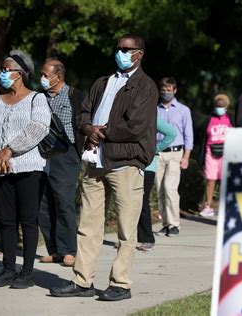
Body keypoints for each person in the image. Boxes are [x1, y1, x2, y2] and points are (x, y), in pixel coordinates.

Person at [50, 34, 157, 301]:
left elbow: (136, 126)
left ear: (140, 54)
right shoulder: (103, 82)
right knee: (88, 226)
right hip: (95, 162)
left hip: (126, 163)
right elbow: (83, 113)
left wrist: (101, 133)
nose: (120, 53)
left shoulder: (146, 86)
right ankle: (81, 281)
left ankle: (120, 284)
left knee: (125, 230)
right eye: (118, 48)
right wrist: (87, 128)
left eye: (127, 49)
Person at [0, 50, 51, 289]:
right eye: (2, 69)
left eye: (6, 70)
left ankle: (27, 273)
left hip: (29, 168)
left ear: (20, 73)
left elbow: (39, 128)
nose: (2, 73)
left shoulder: (36, 99)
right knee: (7, 221)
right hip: (0, 168)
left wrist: (10, 150)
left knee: (28, 220)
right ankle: (8, 269)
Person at [37, 60, 86, 267]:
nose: (43, 78)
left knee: (64, 202)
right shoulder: (38, 98)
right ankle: (54, 250)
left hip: (66, 156)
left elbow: (85, 124)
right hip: (40, 155)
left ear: (59, 77)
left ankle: (69, 250)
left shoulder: (76, 96)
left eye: (46, 75)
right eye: (42, 74)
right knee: (43, 205)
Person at [155, 77, 194, 237]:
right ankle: (165, 223)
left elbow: (188, 135)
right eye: (164, 90)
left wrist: (186, 157)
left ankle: (174, 224)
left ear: (175, 90)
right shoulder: (154, 109)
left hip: (175, 153)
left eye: (169, 90)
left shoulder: (183, 110)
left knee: (170, 188)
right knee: (159, 189)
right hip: (158, 153)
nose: (166, 92)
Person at [136, 117, 176, 251]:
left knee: (142, 201)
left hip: (147, 166)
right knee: (125, 202)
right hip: (128, 164)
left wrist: (155, 148)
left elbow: (171, 133)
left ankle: (147, 238)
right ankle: (126, 238)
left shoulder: (152, 114)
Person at [198, 94, 233, 217]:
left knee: (224, 180)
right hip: (210, 152)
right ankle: (208, 205)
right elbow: (203, 137)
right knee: (210, 179)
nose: (220, 108)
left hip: (226, 153)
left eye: (222, 106)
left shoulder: (230, 120)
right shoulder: (209, 119)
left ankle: (224, 205)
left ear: (226, 107)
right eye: (217, 106)